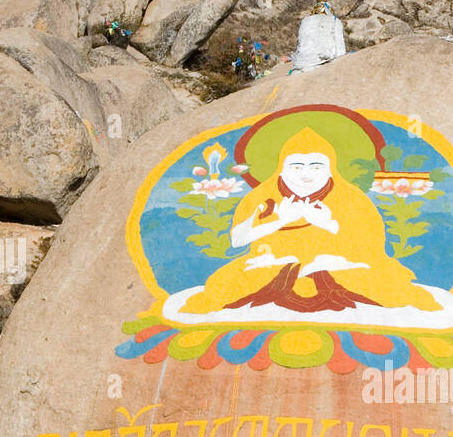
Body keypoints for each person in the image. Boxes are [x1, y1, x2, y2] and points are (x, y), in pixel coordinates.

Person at [179, 126, 439, 315]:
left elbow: (372, 246)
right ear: (282, 166)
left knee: (384, 282)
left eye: (316, 166)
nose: (305, 175)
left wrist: (330, 225)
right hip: (273, 265)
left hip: (339, 266)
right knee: (225, 284)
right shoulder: (262, 196)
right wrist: (278, 221)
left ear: (331, 168)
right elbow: (237, 241)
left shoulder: (351, 198)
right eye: (296, 166)